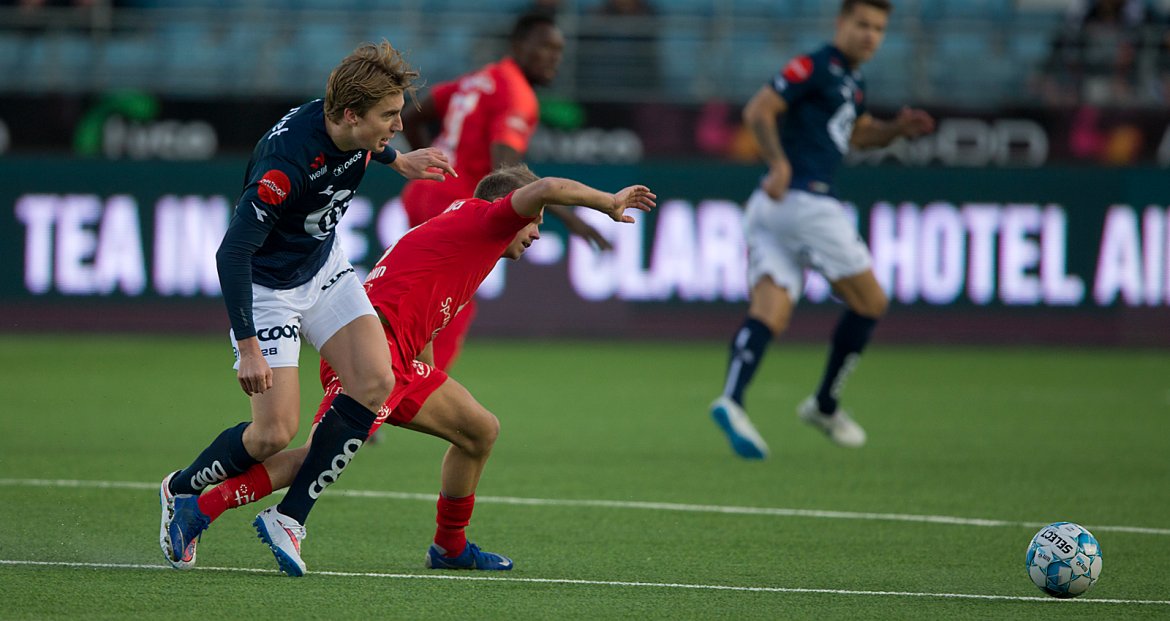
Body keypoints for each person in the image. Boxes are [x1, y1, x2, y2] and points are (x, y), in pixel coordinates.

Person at [165, 164, 656, 576]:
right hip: (372, 352)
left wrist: (428, 371)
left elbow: (425, 303)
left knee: (480, 431)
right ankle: (204, 506)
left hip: (398, 355)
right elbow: (547, 186)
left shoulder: (465, 230)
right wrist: (607, 202)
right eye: (535, 222)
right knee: (315, 454)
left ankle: (450, 548)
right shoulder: (489, 220)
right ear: (512, 207)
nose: (537, 231)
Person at [157, 40, 455, 570]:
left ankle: (289, 517)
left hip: (324, 269)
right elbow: (232, 253)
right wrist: (248, 346)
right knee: (274, 433)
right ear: (349, 113)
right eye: (390, 117)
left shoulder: (353, 127)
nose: (397, 125)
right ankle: (180, 489)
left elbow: (366, 144)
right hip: (268, 291)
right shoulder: (286, 164)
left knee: (376, 380)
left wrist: (400, 160)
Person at [708, 0, 935, 459]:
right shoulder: (814, 65)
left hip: (770, 210)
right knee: (870, 301)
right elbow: (758, 110)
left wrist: (895, 130)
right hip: (806, 201)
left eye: (878, 28)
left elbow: (857, 133)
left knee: (770, 310)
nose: (870, 35)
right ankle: (825, 404)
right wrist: (778, 163)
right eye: (862, 24)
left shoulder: (852, 80)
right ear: (841, 23)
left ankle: (732, 400)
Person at [400, 12, 610, 372]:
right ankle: (416, 391)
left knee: (416, 296)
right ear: (518, 46)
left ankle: (376, 388)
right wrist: (569, 217)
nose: (553, 57)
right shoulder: (517, 94)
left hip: (425, 193)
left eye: (558, 50)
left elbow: (412, 113)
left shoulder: (482, 78)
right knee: (452, 305)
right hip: (453, 201)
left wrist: (425, 170)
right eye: (544, 47)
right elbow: (506, 169)